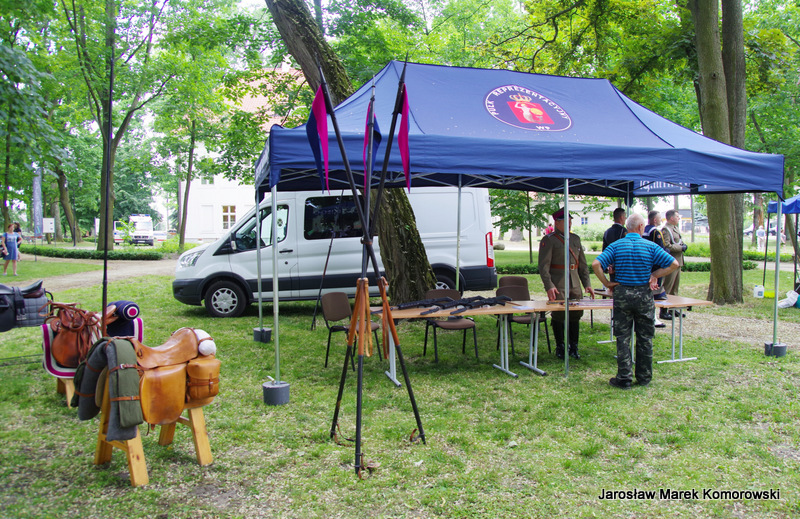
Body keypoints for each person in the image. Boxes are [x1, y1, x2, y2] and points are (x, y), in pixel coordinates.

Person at [592, 214, 679, 389]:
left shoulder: (616, 246)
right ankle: (644, 376)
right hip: (643, 295)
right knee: (645, 336)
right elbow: (674, 264)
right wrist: (654, 275)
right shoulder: (650, 246)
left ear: (628, 227)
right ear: (640, 227)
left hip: (622, 294)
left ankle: (624, 377)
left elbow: (596, 264)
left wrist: (606, 283)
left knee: (623, 337)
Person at [538, 207, 595, 359]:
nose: (569, 223)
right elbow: (543, 267)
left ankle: (574, 346)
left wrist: (587, 284)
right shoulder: (549, 240)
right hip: (559, 283)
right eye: (565, 221)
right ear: (557, 223)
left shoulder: (575, 239)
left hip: (575, 283)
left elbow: (583, 265)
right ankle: (560, 346)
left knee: (575, 314)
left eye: (570, 221)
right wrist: (549, 286)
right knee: (559, 315)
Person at [661, 209, 686, 319]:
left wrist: (683, 245)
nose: (678, 218)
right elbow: (667, 246)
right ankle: (664, 310)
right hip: (671, 262)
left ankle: (673, 309)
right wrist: (681, 248)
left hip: (678, 261)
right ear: (671, 218)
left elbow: (677, 241)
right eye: (677, 216)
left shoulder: (675, 228)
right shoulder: (666, 230)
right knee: (668, 286)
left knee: (675, 288)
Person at [644, 210, 668, 326]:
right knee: (653, 292)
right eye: (659, 218)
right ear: (654, 220)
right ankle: (653, 317)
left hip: (645, 265)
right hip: (654, 267)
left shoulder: (644, 230)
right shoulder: (655, 232)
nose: (661, 220)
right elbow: (659, 250)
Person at [602, 207, 627, 282]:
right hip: (621, 267)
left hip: (610, 267)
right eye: (625, 216)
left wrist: (607, 266)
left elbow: (604, 251)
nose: (625, 218)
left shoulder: (607, 232)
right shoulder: (624, 232)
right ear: (621, 217)